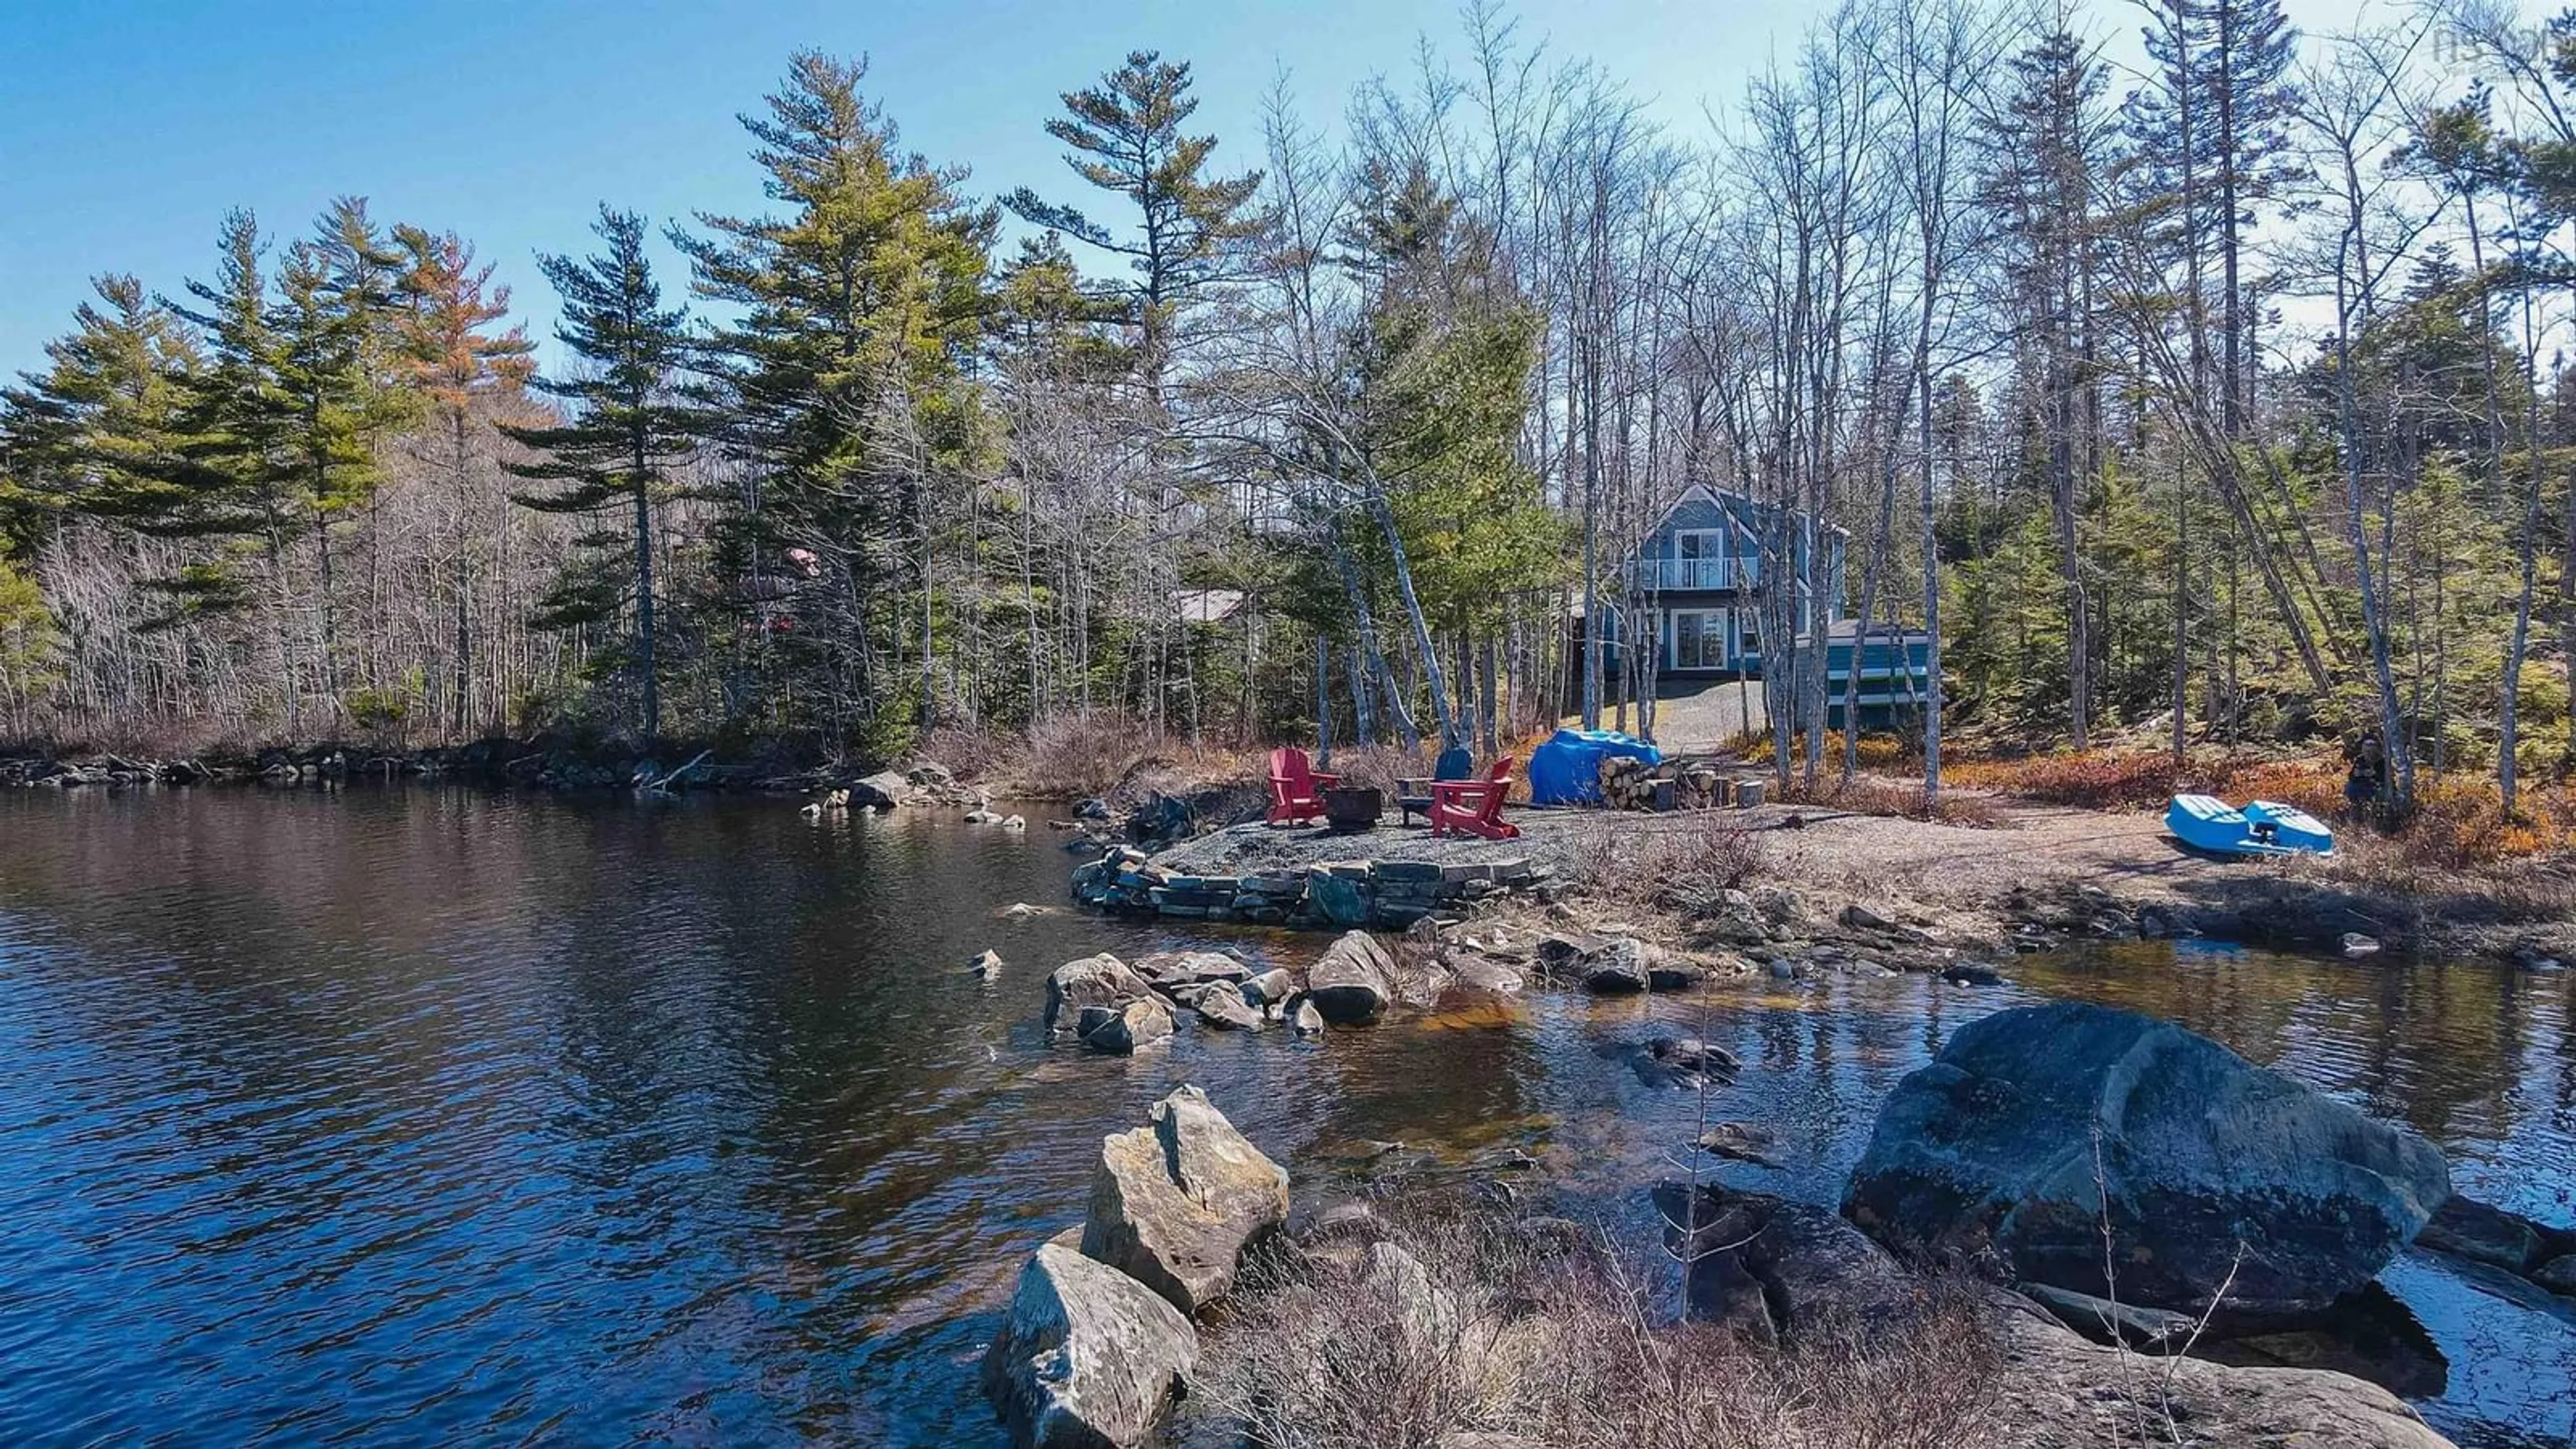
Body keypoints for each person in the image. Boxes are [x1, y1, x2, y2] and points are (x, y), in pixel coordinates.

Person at [2344, 731, 2386, 819]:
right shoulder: (2360, 759)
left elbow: (2386, 778)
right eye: (2366, 745)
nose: (2369, 748)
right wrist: (2357, 774)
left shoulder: (2383, 761)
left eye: (2371, 745)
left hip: (2378, 789)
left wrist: (2374, 775)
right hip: (2363, 787)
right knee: (2350, 786)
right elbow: (2352, 777)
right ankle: (2356, 809)